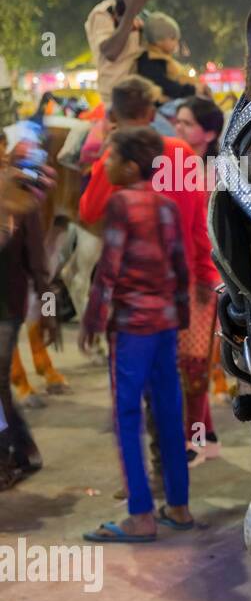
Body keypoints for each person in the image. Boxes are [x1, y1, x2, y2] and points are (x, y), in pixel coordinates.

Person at [81, 78, 218, 463]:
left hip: (132, 298)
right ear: (150, 112)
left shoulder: (117, 162)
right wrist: (206, 277)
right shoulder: (184, 154)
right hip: (184, 287)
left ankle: (147, 483)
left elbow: (88, 213)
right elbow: (200, 229)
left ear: (114, 113)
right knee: (178, 378)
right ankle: (174, 471)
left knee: (135, 390)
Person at [80, 127, 196, 542]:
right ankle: (179, 508)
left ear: (129, 167)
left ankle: (141, 516)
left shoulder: (120, 204)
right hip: (165, 324)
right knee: (169, 415)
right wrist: (180, 313)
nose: (104, 166)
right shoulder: (165, 205)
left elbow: (109, 269)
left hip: (132, 329)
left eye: (109, 159)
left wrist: (92, 320)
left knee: (128, 418)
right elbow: (180, 263)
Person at [170, 95, 226, 457]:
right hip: (182, 273)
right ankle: (204, 431)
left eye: (186, 123)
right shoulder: (171, 165)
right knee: (189, 359)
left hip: (208, 276)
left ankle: (194, 437)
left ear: (208, 133)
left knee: (194, 360)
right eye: (176, 121)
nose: (177, 127)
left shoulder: (222, 171)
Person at [0, 149, 58, 490]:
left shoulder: (22, 203)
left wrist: (48, 315)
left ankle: (7, 458)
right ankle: (23, 450)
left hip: (7, 312)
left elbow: (41, 268)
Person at [85, 0, 153, 97]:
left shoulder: (144, 17)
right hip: (114, 101)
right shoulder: (104, 13)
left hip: (141, 99)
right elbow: (111, 52)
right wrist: (131, 12)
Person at [135, 13, 207, 102]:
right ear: (158, 40)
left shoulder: (162, 57)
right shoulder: (152, 60)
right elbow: (165, 85)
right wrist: (192, 90)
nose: (176, 42)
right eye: (172, 38)